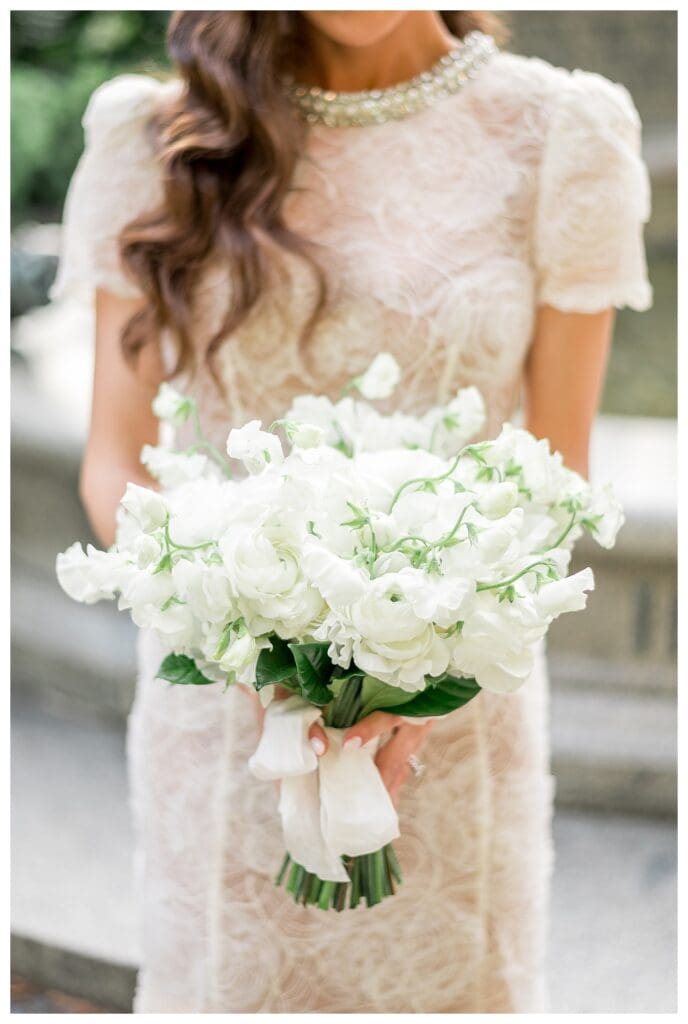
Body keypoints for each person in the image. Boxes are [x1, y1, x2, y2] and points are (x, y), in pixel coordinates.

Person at [51, 10, 652, 1013]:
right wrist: (250, 649)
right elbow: (117, 464)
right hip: (225, 717)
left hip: (452, 729)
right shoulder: (153, 135)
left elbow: (555, 471)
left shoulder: (562, 134)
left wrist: (424, 675)